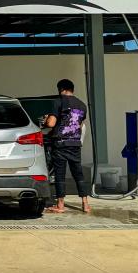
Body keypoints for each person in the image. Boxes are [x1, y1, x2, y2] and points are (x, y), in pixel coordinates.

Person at [43, 78, 91, 213]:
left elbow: (51, 124)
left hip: (60, 143)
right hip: (75, 143)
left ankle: (60, 205)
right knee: (78, 173)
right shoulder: (82, 105)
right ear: (72, 89)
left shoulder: (58, 102)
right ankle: (85, 204)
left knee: (60, 174)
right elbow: (80, 125)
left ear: (60, 89)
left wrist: (47, 119)